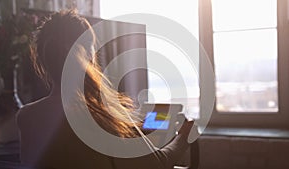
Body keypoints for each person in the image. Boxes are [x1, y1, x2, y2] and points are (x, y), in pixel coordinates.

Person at [17, 10, 194, 169]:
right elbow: (159, 164)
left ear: (43, 61)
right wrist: (184, 137)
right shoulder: (100, 117)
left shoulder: (25, 117)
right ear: (87, 54)